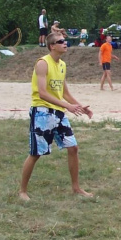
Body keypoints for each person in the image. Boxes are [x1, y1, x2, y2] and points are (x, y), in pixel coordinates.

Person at [19, 32, 94, 201]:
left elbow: (65, 93)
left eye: (65, 41)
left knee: (73, 148)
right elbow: (43, 93)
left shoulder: (62, 65)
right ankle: (22, 191)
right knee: (36, 153)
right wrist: (68, 106)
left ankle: (76, 188)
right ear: (52, 46)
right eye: (60, 41)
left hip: (58, 112)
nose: (65, 43)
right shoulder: (42, 64)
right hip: (42, 112)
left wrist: (81, 107)